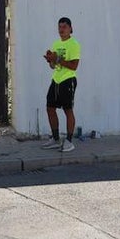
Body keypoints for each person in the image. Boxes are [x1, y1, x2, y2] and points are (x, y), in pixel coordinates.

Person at [41, 16, 80, 152]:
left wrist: (57, 58)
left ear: (70, 28)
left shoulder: (74, 44)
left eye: (64, 27)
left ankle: (69, 141)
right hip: (56, 80)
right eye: (59, 27)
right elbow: (54, 66)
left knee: (67, 110)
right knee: (50, 108)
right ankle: (56, 139)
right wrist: (50, 60)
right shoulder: (56, 44)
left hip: (68, 80)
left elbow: (74, 66)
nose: (61, 30)